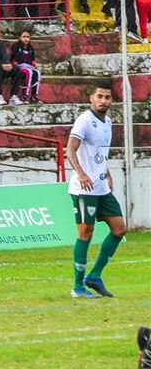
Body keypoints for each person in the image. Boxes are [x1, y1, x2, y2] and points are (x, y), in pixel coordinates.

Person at [66, 79, 126, 299]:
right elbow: (70, 150)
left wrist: (107, 172)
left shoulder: (108, 121)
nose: (103, 100)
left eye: (107, 97)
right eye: (99, 96)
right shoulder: (84, 121)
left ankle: (95, 276)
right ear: (91, 98)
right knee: (85, 234)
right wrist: (81, 173)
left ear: (111, 99)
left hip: (101, 187)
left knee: (119, 229)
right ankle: (77, 287)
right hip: (84, 189)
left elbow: (99, 153)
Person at [8, 29, 41, 103]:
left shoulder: (31, 48)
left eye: (28, 37)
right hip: (19, 66)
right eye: (24, 37)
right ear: (20, 38)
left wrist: (34, 64)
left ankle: (34, 95)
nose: (26, 39)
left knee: (38, 73)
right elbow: (13, 59)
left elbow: (32, 59)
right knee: (29, 72)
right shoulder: (16, 46)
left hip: (28, 66)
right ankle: (25, 95)